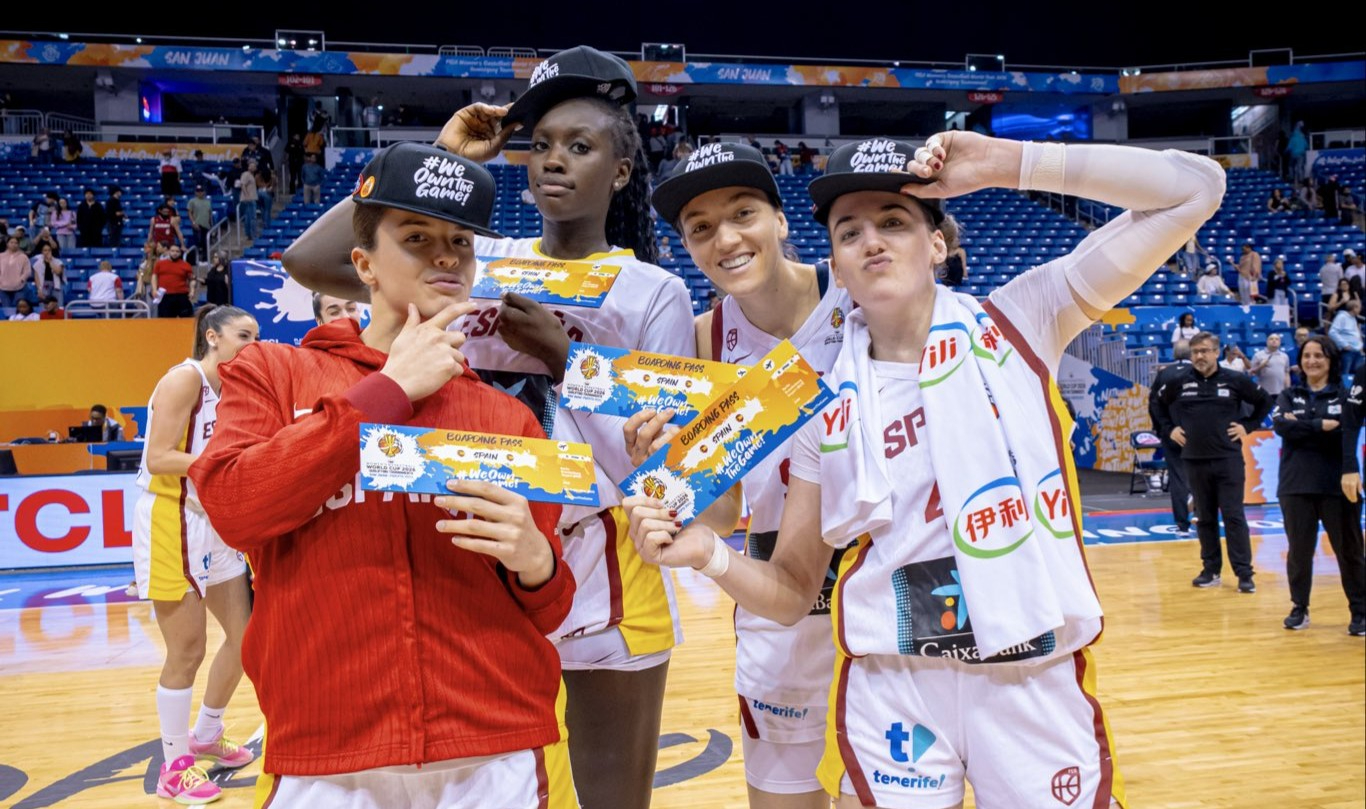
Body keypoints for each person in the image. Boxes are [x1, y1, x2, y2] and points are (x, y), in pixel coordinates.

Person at [629, 132, 1224, 809]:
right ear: (835, 267)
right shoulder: (819, 403)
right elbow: (792, 588)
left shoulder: (1021, 321)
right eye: (849, 232)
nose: (872, 242)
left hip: (1028, 673)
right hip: (894, 682)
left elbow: (1196, 188)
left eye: (894, 221)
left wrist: (1009, 164)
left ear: (937, 242)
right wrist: (706, 551)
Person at [283, 46, 693, 809]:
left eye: (579, 146)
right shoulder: (476, 259)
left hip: (606, 570)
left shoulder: (655, 290)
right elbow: (313, 261)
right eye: (540, 145)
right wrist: (439, 161)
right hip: (482, 562)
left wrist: (565, 356)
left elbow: (665, 469)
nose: (553, 161)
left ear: (621, 171)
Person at [189, 143, 577, 808]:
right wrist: (387, 392)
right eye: (417, 237)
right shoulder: (274, 372)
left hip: (493, 750)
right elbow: (234, 506)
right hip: (326, 754)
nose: (446, 256)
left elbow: (551, 606)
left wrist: (537, 562)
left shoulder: (505, 415)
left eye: (460, 241)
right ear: (363, 264)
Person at [631, 141, 853, 808]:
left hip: (876, 583)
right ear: (688, 247)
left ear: (780, 220)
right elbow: (725, 511)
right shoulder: (706, 337)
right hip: (776, 594)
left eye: (743, 213)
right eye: (700, 227)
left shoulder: (855, 296)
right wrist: (669, 468)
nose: (725, 238)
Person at [134, 305, 259, 805]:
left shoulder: (238, 390)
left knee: (247, 638)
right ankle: (174, 766)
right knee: (187, 650)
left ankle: (207, 733)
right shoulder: (184, 380)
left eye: (257, 337)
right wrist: (225, 465)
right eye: (243, 335)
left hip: (214, 518)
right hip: (174, 516)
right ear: (212, 337)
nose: (252, 345)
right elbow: (158, 457)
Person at [1155, 332, 1271, 593]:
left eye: (1205, 351)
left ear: (1216, 353)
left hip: (1228, 459)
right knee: (1204, 518)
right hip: (1194, 460)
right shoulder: (1178, 381)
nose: (1199, 356)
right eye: (1195, 351)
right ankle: (1211, 570)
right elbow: (1157, 405)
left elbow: (1265, 401)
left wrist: (1248, 426)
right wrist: (1169, 429)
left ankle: (1244, 573)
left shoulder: (1235, 379)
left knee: (1233, 517)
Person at [1273, 336, 1366, 635]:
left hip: (1337, 485)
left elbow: (1346, 432)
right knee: (1299, 552)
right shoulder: (1289, 394)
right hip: (1295, 485)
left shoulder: (1345, 395)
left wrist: (1299, 426)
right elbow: (1281, 426)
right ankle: (1299, 607)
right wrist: (1319, 425)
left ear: (1331, 360)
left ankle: (1360, 612)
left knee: (1350, 552)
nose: (1312, 361)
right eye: (1307, 355)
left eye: (1319, 355)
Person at [1150, 341, 1196, 538]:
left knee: (1177, 478)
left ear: (1174, 354)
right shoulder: (1197, 371)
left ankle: (1182, 524)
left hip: (1171, 433)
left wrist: (1160, 429)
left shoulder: (1164, 374)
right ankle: (1201, 515)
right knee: (1201, 475)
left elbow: (1153, 403)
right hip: (1197, 433)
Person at [154, 245, 196, 318]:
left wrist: (192, 291)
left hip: (182, 296)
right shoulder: (160, 264)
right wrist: (154, 289)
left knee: (187, 320)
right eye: (172, 251)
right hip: (165, 297)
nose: (175, 253)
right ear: (169, 252)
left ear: (180, 253)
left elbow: (192, 279)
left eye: (177, 251)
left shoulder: (186, 265)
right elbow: (154, 276)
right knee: (165, 321)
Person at [1329, 300, 1364, 382]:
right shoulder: (1342, 317)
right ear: (1354, 308)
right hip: (1348, 351)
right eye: (1359, 308)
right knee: (1345, 374)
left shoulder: (1354, 319)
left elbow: (1356, 334)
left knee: (1358, 374)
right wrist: (1344, 344)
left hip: (1357, 351)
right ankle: (1344, 389)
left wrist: (1360, 346)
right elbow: (1332, 332)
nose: (1360, 310)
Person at [1249, 333, 1291, 397]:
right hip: (1264, 391)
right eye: (1271, 339)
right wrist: (1261, 366)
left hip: (1280, 392)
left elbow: (1286, 373)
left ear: (1280, 342)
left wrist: (1288, 388)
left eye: (1277, 339)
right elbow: (1250, 373)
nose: (1274, 340)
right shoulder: (1258, 355)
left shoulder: (1285, 356)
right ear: (1267, 342)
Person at [936, 215, 968, 288]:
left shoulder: (960, 251)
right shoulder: (944, 251)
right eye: (955, 239)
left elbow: (964, 263)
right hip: (947, 276)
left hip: (957, 274)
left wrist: (965, 274)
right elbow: (942, 265)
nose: (957, 241)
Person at [1, 235, 32, 309]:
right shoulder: (1, 256)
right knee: (6, 309)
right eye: (11, 242)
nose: (14, 244)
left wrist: (21, 279)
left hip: (19, 287)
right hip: (3, 287)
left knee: (18, 308)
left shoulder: (23, 257)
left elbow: (27, 271)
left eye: (16, 243)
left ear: (18, 245)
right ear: (7, 244)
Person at [186, 186, 213, 255]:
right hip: (197, 224)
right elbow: (189, 212)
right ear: (195, 192)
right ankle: (197, 257)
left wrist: (210, 224)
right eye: (198, 191)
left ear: (204, 192)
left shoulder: (208, 202)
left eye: (201, 191)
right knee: (198, 242)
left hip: (206, 225)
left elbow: (209, 213)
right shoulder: (192, 201)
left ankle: (205, 257)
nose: (200, 193)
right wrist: (193, 222)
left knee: (205, 243)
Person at [237, 161, 259, 240]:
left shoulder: (252, 175)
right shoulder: (246, 174)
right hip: (249, 199)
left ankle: (250, 234)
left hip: (251, 198)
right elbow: (243, 185)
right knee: (252, 217)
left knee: (249, 217)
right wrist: (247, 196)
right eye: (252, 166)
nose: (253, 167)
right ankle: (253, 234)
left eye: (254, 166)